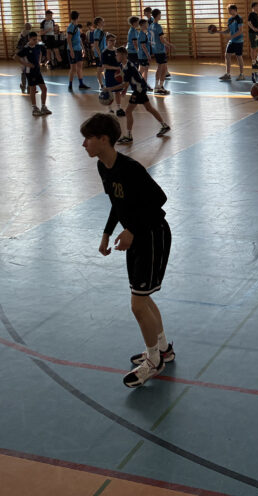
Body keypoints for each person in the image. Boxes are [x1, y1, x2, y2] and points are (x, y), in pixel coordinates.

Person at [80, 112, 174, 388]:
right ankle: (163, 349)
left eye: (87, 139)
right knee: (142, 296)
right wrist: (107, 233)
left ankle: (154, 361)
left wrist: (132, 229)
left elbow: (159, 199)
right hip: (137, 236)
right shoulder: (103, 167)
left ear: (103, 139)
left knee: (137, 303)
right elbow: (117, 203)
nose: (83, 144)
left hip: (152, 234)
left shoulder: (130, 168)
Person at [106, 47, 170, 144]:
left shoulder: (129, 66)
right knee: (149, 108)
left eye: (117, 55)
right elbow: (128, 81)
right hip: (140, 88)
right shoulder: (122, 65)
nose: (116, 56)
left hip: (139, 90)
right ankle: (164, 126)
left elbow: (124, 84)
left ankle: (129, 136)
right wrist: (125, 90)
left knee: (128, 111)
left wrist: (110, 89)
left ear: (123, 55)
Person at [18, 31, 51, 116]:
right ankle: (34, 108)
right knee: (33, 89)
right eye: (33, 39)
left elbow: (43, 51)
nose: (35, 41)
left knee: (44, 88)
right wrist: (26, 64)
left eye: (36, 39)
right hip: (30, 71)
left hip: (37, 71)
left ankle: (43, 107)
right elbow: (15, 57)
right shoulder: (25, 49)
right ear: (29, 39)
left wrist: (42, 59)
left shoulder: (38, 46)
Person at [149, 9, 173, 95]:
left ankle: (157, 86)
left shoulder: (151, 26)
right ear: (157, 15)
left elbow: (150, 38)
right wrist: (169, 45)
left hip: (155, 49)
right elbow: (162, 39)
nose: (161, 16)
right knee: (163, 69)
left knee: (160, 68)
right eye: (160, 14)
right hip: (160, 49)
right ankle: (160, 87)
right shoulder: (158, 26)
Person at [218, 5, 245, 81]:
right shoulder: (230, 19)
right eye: (228, 10)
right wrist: (218, 31)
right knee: (227, 55)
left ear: (234, 10)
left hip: (238, 41)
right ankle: (228, 74)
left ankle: (242, 74)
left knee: (239, 57)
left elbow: (240, 31)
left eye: (230, 10)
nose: (229, 12)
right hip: (232, 41)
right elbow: (228, 30)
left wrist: (231, 37)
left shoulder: (239, 18)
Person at [101, 34, 126, 116]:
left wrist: (122, 70)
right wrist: (115, 68)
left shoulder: (117, 51)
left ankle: (118, 108)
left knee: (118, 91)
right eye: (111, 40)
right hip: (109, 74)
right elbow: (104, 65)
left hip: (118, 74)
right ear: (107, 41)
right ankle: (110, 108)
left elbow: (121, 62)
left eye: (114, 40)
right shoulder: (105, 52)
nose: (113, 42)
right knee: (109, 91)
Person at [65, 11, 90, 92]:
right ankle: (70, 85)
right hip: (73, 50)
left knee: (79, 67)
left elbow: (79, 39)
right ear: (77, 17)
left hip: (78, 49)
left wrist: (83, 48)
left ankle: (81, 84)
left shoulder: (77, 27)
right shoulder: (71, 27)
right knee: (73, 69)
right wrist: (71, 51)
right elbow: (68, 39)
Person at [90, 17, 107, 89]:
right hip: (100, 54)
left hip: (104, 53)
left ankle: (107, 83)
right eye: (102, 21)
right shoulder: (97, 32)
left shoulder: (101, 31)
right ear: (98, 23)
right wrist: (100, 55)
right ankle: (101, 85)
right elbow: (96, 45)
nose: (103, 22)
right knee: (100, 70)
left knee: (105, 68)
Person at [134, 18, 152, 84]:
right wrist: (148, 55)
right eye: (146, 24)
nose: (148, 25)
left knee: (146, 69)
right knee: (141, 70)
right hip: (142, 55)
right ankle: (136, 83)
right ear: (143, 25)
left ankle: (145, 83)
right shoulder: (142, 34)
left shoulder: (145, 33)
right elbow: (143, 46)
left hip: (144, 55)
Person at [15, 23, 32, 94]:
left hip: (22, 54)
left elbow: (18, 46)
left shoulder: (20, 34)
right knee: (28, 71)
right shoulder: (29, 35)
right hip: (26, 54)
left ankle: (24, 86)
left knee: (24, 70)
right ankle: (28, 87)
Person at [247, 2, 258, 70]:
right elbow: (248, 23)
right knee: (253, 48)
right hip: (252, 33)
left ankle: (257, 61)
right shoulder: (251, 14)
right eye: (257, 6)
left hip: (257, 33)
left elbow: (256, 24)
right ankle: (253, 63)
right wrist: (253, 28)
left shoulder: (256, 14)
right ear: (254, 7)